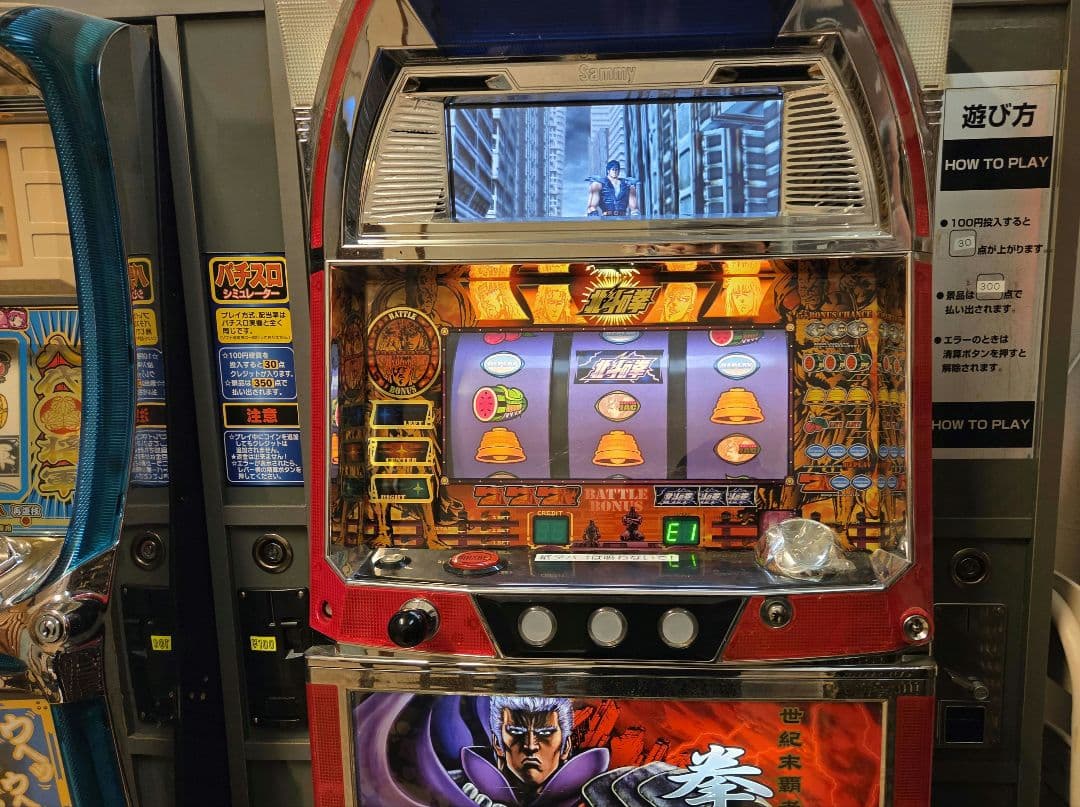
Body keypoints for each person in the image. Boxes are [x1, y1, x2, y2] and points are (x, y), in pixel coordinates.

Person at [455, 696, 609, 807]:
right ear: (498, 744)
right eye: (516, 732)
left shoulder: (597, 794)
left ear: (566, 746)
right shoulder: (465, 787)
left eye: (545, 733)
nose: (530, 746)